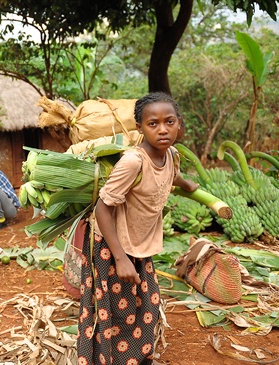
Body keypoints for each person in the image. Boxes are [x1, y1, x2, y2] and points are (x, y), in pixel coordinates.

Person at [77, 92, 199, 365]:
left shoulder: (171, 155)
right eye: (152, 124)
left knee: (147, 304)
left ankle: (139, 358)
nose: (162, 129)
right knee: (112, 311)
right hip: (110, 246)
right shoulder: (133, 161)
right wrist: (120, 258)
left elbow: (169, 174)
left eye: (169, 122)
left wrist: (186, 184)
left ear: (179, 123)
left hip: (139, 244)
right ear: (139, 128)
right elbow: (102, 208)